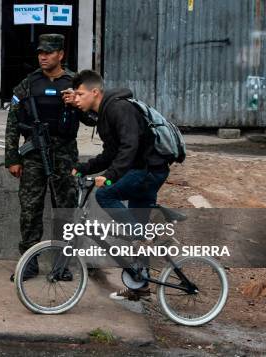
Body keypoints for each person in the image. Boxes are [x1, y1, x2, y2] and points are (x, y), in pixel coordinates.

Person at [69, 70, 170, 300]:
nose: (76, 99)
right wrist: (85, 167)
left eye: (80, 94)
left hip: (148, 170)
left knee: (105, 195)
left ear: (95, 92)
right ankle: (140, 286)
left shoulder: (118, 108)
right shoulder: (105, 114)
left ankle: (142, 238)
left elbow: (129, 147)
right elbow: (110, 153)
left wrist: (110, 176)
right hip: (144, 170)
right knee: (139, 231)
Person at [5, 34, 95, 281]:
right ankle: (29, 263)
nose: (43, 57)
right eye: (40, 52)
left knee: (64, 210)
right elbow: (12, 123)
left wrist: (77, 103)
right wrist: (12, 157)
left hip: (64, 156)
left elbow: (94, 118)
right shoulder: (28, 83)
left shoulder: (75, 83)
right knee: (30, 210)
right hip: (33, 155)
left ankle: (62, 264)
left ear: (60, 55)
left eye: (48, 52)